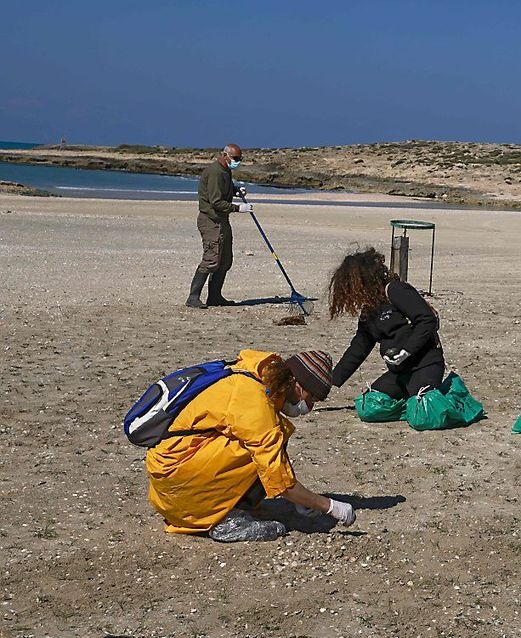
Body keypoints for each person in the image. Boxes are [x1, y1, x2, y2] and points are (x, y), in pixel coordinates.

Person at [146, 349, 356, 542]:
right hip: (179, 487)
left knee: (269, 441)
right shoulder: (255, 401)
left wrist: (302, 499)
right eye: (310, 399)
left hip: (170, 484)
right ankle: (224, 521)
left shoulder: (252, 377)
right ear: (295, 383)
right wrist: (329, 506)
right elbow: (278, 478)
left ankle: (228, 507)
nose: (308, 408)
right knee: (264, 447)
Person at [328, 247, 444, 399]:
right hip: (399, 373)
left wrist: (406, 351)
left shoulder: (395, 290)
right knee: (370, 404)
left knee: (422, 410)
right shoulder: (369, 310)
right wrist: (331, 381)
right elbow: (359, 347)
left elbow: (427, 319)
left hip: (425, 365)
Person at [186, 144, 253, 309]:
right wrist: (238, 208)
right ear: (225, 155)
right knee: (211, 260)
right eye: (236, 159)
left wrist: (235, 190)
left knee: (225, 261)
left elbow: (223, 191)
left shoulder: (225, 171)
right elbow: (216, 202)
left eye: (240, 159)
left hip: (222, 220)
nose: (237, 162)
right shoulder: (215, 172)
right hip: (211, 220)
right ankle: (193, 298)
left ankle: (215, 297)